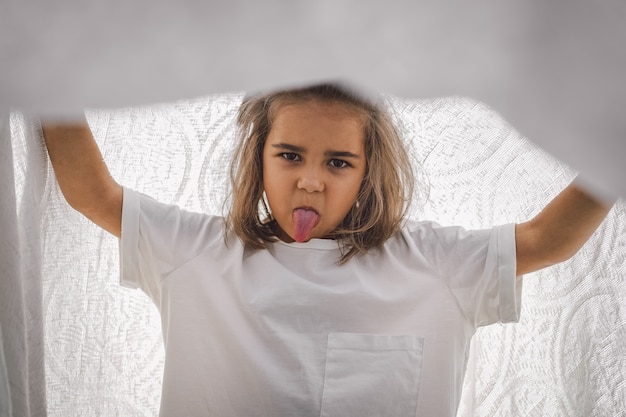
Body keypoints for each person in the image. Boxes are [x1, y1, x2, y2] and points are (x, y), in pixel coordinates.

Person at [41, 83, 613, 417]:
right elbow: (93, 192)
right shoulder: (196, 250)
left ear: (369, 173)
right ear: (259, 158)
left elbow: (545, 239)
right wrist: (44, 76)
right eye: (290, 156)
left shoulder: (434, 264)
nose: (311, 181)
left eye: (338, 163)